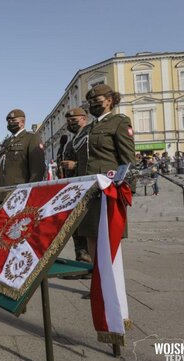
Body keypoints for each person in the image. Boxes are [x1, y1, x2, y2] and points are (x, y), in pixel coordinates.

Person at [76, 84, 136, 264]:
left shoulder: (119, 122)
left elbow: (128, 159)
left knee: (109, 237)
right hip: (88, 190)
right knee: (90, 235)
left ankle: (111, 287)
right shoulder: (87, 129)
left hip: (108, 189)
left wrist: (127, 189)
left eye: (97, 101)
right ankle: (98, 284)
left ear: (109, 101)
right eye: (90, 102)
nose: (93, 104)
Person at [58, 107, 91, 264]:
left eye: (74, 120)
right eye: (68, 121)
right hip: (72, 189)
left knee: (85, 227)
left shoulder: (89, 135)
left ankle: (89, 261)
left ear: (84, 119)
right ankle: (81, 258)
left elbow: (93, 160)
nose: (70, 123)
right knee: (76, 228)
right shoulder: (71, 141)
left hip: (85, 186)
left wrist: (75, 165)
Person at [0, 109, 46, 202]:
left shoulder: (31, 138)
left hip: (21, 194)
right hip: (3, 194)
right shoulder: (6, 142)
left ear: (22, 122)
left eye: (13, 121)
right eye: (8, 121)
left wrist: (31, 192)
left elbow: (37, 169)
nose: (10, 123)